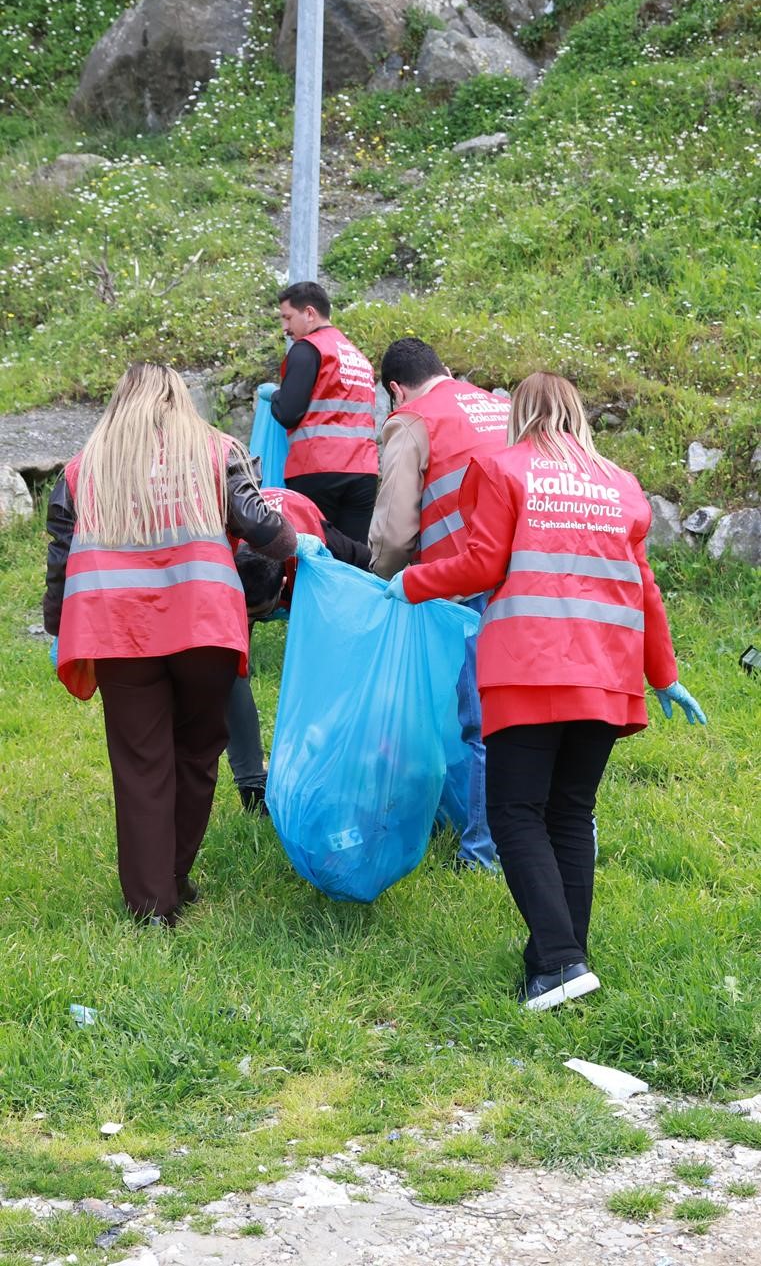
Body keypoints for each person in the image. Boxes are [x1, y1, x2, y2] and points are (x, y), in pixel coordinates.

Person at [385, 371, 706, 1011]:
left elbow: (481, 564)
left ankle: (560, 962)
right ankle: (560, 962)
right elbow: (645, 589)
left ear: (520, 413)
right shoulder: (621, 485)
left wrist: (411, 582)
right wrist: (663, 676)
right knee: (568, 813)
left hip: (528, 670)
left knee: (514, 814)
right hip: (607, 676)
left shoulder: (502, 470)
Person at [43, 363, 298, 927]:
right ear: (179, 399)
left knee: (140, 764)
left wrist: (60, 626)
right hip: (201, 624)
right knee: (198, 751)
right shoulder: (215, 451)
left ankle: (150, 906)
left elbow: (60, 560)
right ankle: (177, 876)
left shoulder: (84, 469)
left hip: (114, 629)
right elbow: (268, 533)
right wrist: (294, 535)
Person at [369, 337, 511, 870]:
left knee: (479, 720)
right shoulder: (501, 404)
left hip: (469, 580)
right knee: (514, 713)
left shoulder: (411, 419)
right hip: (530, 579)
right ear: (445, 370)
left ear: (395, 389)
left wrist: (380, 583)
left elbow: (395, 530)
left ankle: (482, 852)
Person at [226, 486, 372, 811]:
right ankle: (252, 785)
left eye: (260, 615)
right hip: (242, 576)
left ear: (282, 586)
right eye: (247, 618)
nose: (253, 623)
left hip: (298, 538)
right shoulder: (224, 555)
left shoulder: (323, 552)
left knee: (331, 669)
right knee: (230, 672)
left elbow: (371, 567)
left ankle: (334, 766)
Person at [260, 281, 378, 541]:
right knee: (353, 555)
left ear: (310, 313)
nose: (285, 328)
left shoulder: (308, 349)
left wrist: (274, 395)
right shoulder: (357, 357)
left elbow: (289, 412)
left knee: (313, 552)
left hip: (317, 468)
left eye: (288, 317)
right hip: (363, 470)